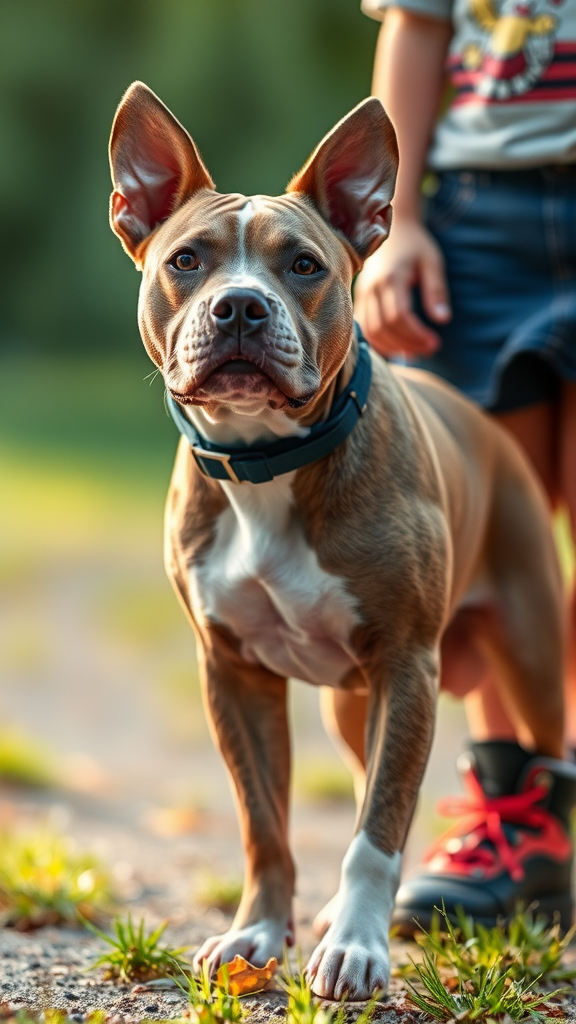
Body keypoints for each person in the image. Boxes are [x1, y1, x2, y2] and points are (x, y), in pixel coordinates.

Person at [350, 0, 576, 929]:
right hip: (475, 222)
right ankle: (520, 818)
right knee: (484, 554)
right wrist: (394, 224)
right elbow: (417, 24)